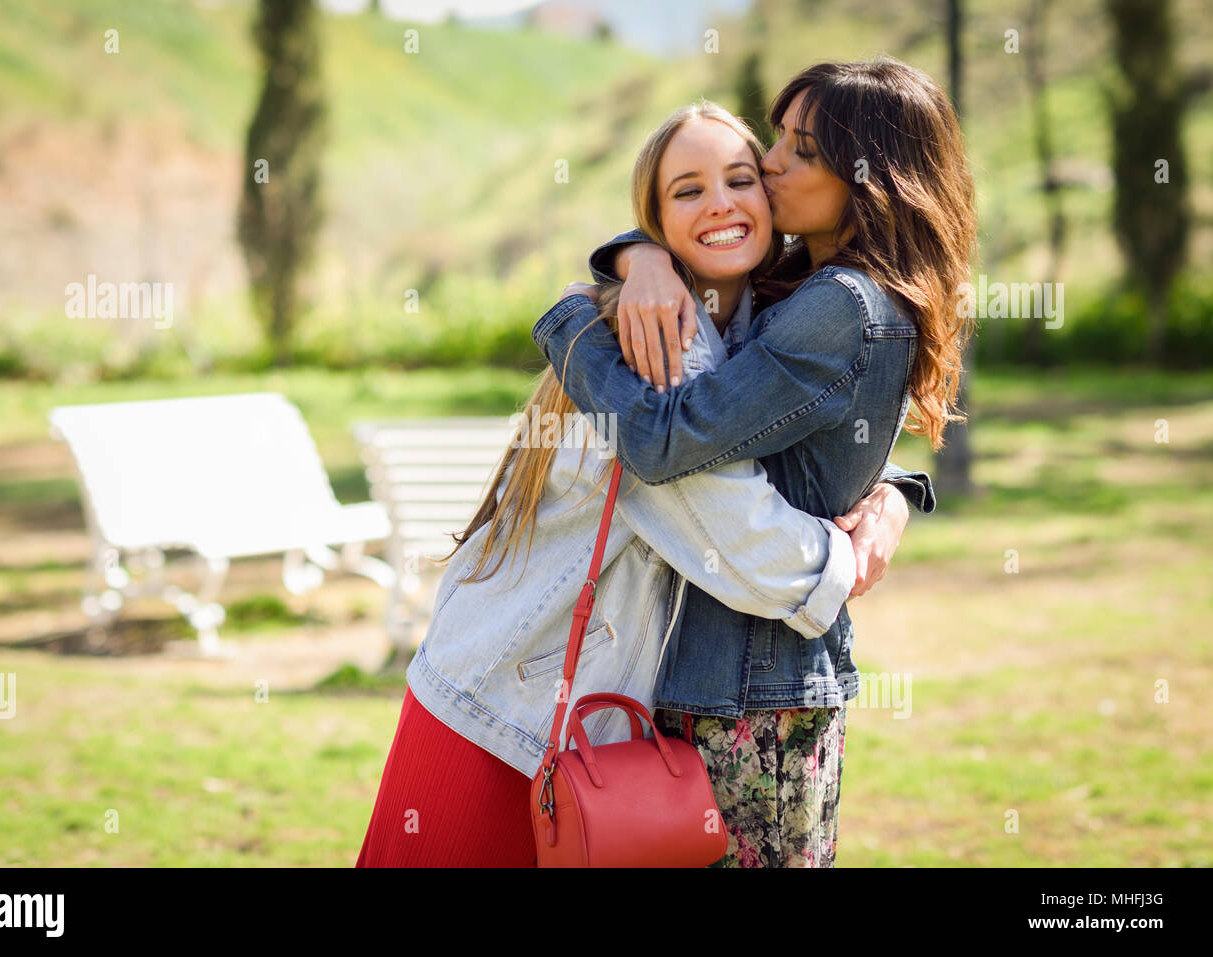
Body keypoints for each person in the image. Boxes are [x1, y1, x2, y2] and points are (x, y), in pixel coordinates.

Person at [356, 98, 930, 867]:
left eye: (740, 178)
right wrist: (844, 561)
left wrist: (891, 490)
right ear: (656, 217)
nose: (722, 202)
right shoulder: (659, 345)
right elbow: (745, 545)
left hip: (581, 722)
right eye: (687, 191)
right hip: (498, 707)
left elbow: (801, 417)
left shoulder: (755, 321)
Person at [534, 57, 976, 867]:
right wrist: (643, 258)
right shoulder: (818, 283)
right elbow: (808, 437)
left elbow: (667, 440)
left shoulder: (840, 306)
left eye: (801, 151)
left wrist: (569, 326)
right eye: (777, 139)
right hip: (727, 682)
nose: (770, 164)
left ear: (869, 181)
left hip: (751, 695)